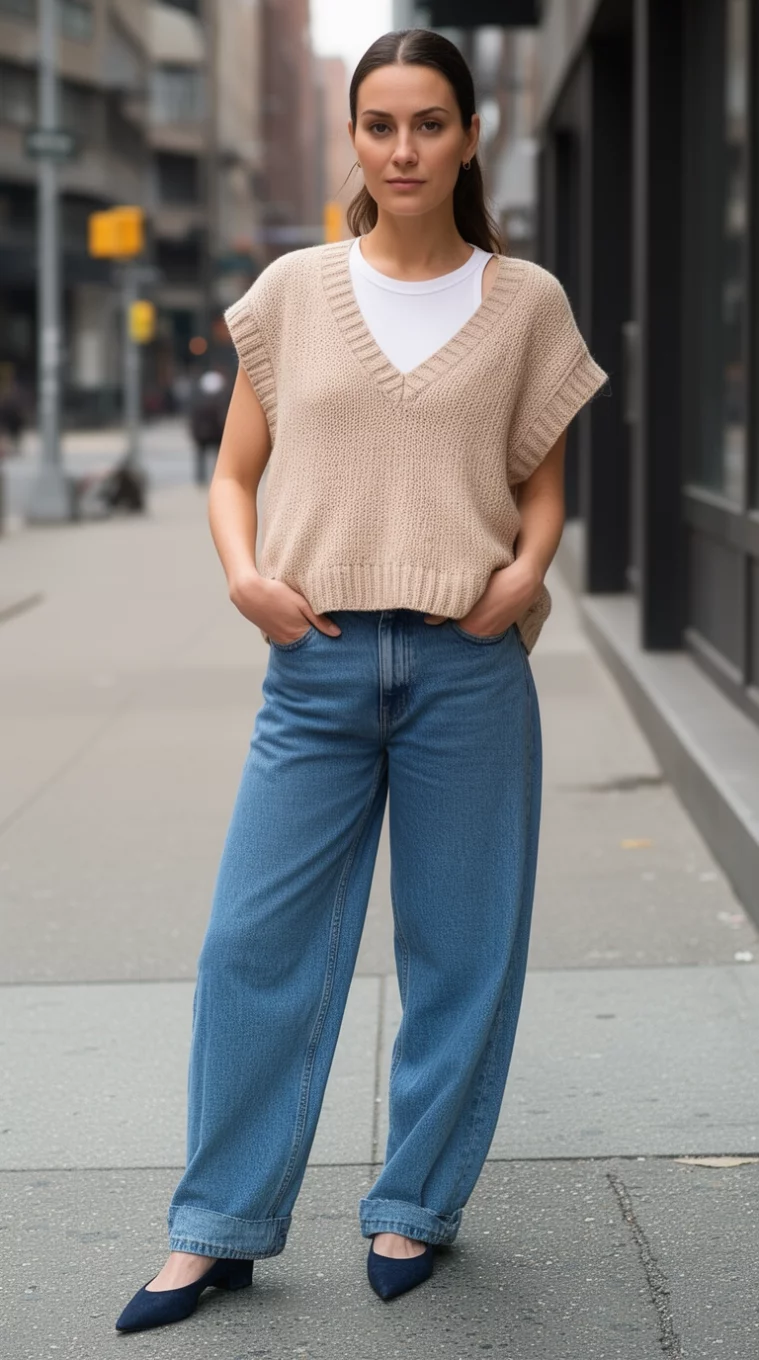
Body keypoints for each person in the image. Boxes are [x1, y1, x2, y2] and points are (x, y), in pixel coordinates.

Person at [116, 27, 607, 1334]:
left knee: (460, 951)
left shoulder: (526, 303)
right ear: (353, 136)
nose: (402, 149)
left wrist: (521, 576)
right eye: (378, 124)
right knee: (251, 943)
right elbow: (233, 473)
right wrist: (243, 578)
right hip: (314, 666)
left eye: (427, 124)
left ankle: (413, 1205)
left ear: (466, 137)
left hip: (466, 668)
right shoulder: (289, 290)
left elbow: (541, 484)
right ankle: (216, 1227)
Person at [188, 368, 230, 486]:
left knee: (202, 458)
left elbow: (193, 420)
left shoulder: (198, 401)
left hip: (203, 434)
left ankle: (202, 479)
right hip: (215, 434)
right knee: (217, 457)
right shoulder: (220, 402)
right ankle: (216, 477)